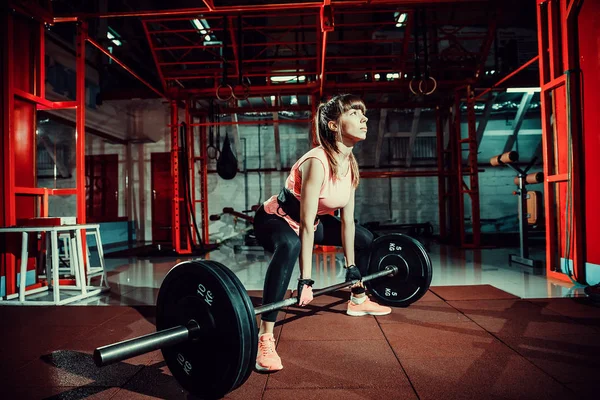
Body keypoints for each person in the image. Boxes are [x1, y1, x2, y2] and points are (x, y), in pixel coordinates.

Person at [252, 93, 392, 372]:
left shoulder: (350, 164)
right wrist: (306, 280)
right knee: (290, 246)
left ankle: (358, 297)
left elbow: (348, 222)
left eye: (363, 114)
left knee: (365, 238)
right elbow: (304, 224)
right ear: (333, 125)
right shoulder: (317, 161)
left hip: (312, 223)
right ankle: (265, 336)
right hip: (275, 220)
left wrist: (352, 269)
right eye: (354, 114)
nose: (364, 118)